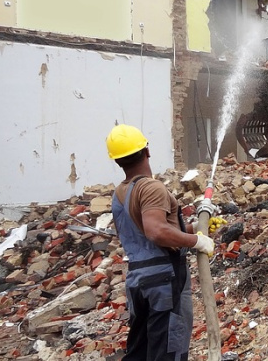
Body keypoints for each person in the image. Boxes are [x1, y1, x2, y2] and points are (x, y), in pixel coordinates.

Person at [106, 124, 217, 361]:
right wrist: (195, 241)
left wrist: (194, 229)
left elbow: (146, 234)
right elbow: (156, 232)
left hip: (138, 281)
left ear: (117, 161)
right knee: (168, 351)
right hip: (164, 280)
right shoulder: (152, 188)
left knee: (141, 351)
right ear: (147, 150)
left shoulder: (119, 194)